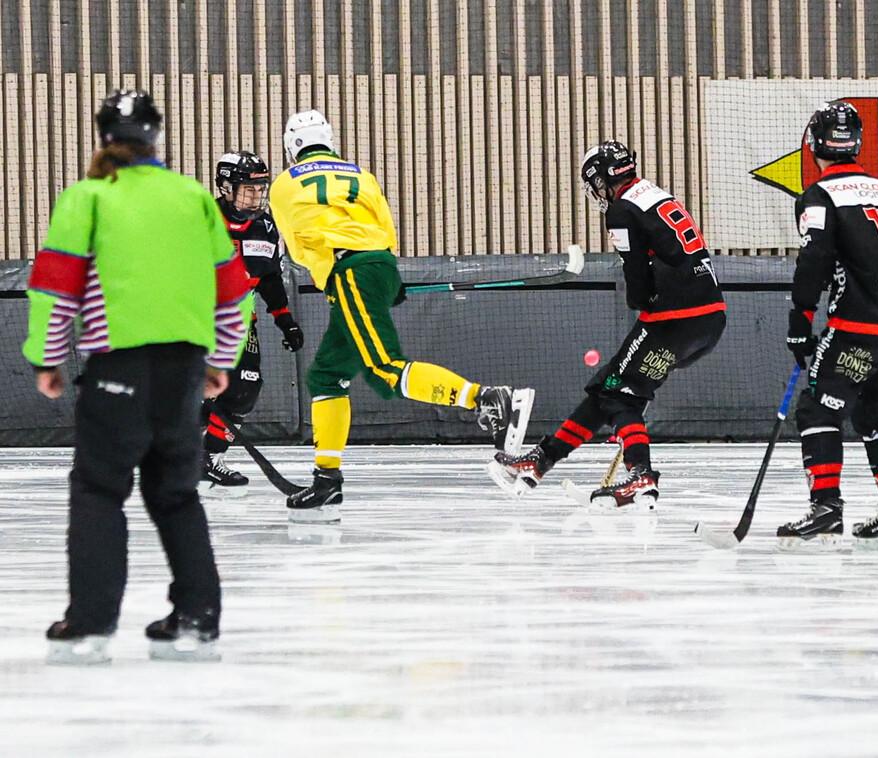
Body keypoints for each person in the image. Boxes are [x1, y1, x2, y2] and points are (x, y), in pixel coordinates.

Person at [24, 90, 252, 664]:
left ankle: (89, 623)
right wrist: (220, 361)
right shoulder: (192, 197)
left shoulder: (88, 197)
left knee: (99, 490)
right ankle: (197, 617)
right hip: (182, 369)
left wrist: (48, 359)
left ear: (103, 136)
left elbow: (56, 289)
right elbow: (233, 293)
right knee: (176, 494)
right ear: (156, 137)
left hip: (116, 369)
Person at [268, 110, 531, 524]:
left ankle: (486, 398)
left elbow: (299, 244)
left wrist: (338, 274)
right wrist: (385, 280)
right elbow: (385, 230)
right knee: (326, 376)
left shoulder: (284, 184)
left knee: (384, 367)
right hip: (377, 265)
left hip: (347, 271)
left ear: (291, 148)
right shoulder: (362, 175)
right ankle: (327, 478)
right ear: (330, 140)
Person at [489, 140, 725, 508]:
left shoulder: (621, 209)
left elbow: (637, 274)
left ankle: (640, 474)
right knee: (610, 387)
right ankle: (541, 460)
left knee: (618, 394)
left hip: (672, 319)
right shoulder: (657, 195)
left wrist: (640, 302)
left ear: (602, 179)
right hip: (709, 319)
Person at [777, 101, 878, 543]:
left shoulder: (819, 195)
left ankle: (826, 507)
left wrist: (800, 321)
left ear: (814, 144)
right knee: (875, 410)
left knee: (818, 408)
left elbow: (814, 259)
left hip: (858, 327)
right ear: (857, 144)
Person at [201, 150, 305, 496]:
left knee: (245, 387)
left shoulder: (266, 227)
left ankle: (209, 458)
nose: (256, 196)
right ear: (226, 187)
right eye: (249, 189)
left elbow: (270, 278)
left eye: (260, 189)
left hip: (240, 321)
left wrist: (285, 320)